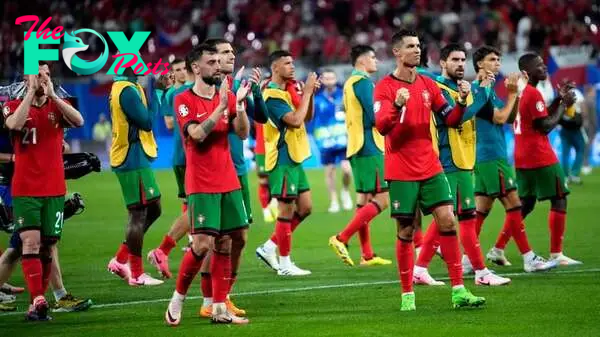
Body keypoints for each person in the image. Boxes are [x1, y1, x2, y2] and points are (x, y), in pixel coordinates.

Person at [374, 30, 485, 311]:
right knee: (406, 230)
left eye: (418, 46)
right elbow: (383, 126)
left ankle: (459, 290)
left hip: (431, 165)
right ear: (397, 52)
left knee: (448, 220)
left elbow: (450, 118)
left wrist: (461, 102)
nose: (417, 50)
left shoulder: (428, 84)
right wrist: (397, 105)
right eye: (410, 46)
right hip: (401, 169)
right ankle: (407, 294)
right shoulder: (385, 87)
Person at [410, 43, 511, 286]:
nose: (460, 64)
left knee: (455, 217)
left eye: (463, 60)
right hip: (449, 160)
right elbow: (457, 119)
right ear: (443, 63)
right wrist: (484, 93)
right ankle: (481, 273)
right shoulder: (439, 87)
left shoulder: (461, 87)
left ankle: (420, 269)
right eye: (455, 60)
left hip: (465, 159)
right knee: (464, 218)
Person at [165, 43, 251, 325]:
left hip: (228, 177)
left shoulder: (225, 95)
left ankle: (219, 308)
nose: (218, 65)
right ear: (196, 67)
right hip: (201, 181)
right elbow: (197, 135)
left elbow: (241, 133)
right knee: (202, 245)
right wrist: (221, 109)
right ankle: (177, 299)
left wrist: (238, 105)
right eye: (211, 62)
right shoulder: (183, 99)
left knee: (227, 242)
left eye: (219, 60)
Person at [3, 62, 84, 320]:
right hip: (25, 188)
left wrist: (53, 97)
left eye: (47, 75)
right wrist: (30, 93)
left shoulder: (56, 107)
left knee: (48, 246)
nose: (43, 79)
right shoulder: (14, 106)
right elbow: (14, 125)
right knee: (30, 241)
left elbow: (79, 120)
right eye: (37, 75)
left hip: (55, 189)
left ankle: (34, 306)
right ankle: (39, 298)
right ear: (27, 80)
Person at [196, 37, 268, 319]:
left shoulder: (237, 86)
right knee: (214, 239)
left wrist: (257, 93)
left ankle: (223, 296)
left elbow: (259, 118)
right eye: (224, 53)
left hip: (237, 170)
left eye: (232, 52)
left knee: (239, 237)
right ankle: (208, 300)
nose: (230, 57)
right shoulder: (209, 88)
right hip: (212, 173)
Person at [254, 51, 321, 276]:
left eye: (293, 62)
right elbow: (294, 121)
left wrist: (308, 97)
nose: (292, 66)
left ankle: (269, 247)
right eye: (287, 63)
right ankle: (284, 264)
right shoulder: (272, 95)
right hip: (281, 158)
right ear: (275, 68)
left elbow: (307, 117)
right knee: (286, 210)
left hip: (294, 157)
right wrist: (308, 91)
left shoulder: (285, 92)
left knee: (306, 207)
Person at [512, 53, 582, 266]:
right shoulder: (532, 93)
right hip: (539, 154)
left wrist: (558, 99)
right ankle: (556, 253)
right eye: (539, 66)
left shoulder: (523, 92)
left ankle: (497, 247)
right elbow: (545, 126)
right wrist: (564, 105)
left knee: (525, 204)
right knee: (559, 196)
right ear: (527, 72)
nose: (544, 68)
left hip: (522, 155)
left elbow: (540, 117)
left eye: (543, 64)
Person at [328, 45, 392, 267]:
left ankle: (367, 254)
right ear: (362, 61)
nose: (376, 61)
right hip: (370, 146)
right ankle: (341, 238)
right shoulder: (364, 83)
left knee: (364, 200)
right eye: (373, 57)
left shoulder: (349, 83)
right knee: (383, 198)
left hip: (357, 145)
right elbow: (375, 117)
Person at [106, 66, 163, 286]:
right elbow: (147, 122)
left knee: (155, 207)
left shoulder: (127, 87)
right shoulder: (126, 90)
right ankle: (137, 274)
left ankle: (120, 259)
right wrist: (157, 94)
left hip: (136, 155)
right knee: (138, 213)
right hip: (131, 156)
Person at [147, 58, 193, 280]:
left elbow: (169, 124)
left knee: (189, 201)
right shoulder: (185, 93)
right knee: (196, 203)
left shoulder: (169, 95)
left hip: (179, 155)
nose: (182, 72)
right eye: (178, 70)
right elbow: (171, 124)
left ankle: (191, 240)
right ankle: (166, 249)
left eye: (184, 68)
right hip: (187, 155)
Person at [311, 69, 353, 213]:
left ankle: (345, 191)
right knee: (330, 172)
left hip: (343, 140)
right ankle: (334, 201)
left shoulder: (344, 95)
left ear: (336, 79)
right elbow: (313, 120)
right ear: (322, 81)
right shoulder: (317, 99)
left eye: (332, 78)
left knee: (347, 170)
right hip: (326, 142)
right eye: (326, 78)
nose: (329, 81)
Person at [559, 85, 586, 184]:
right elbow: (582, 108)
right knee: (580, 148)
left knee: (565, 153)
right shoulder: (576, 93)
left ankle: (566, 176)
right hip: (575, 128)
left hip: (564, 128)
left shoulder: (560, 96)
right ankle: (574, 174)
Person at [582, 85, 597, 175]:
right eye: (593, 91)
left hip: (584, 125)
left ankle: (585, 164)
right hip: (589, 126)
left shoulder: (584, 100)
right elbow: (593, 117)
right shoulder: (590, 101)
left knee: (585, 145)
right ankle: (585, 165)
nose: (595, 93)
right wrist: (595, 127)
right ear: (590, 91)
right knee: (587, 146)